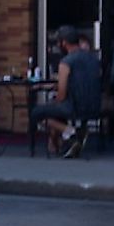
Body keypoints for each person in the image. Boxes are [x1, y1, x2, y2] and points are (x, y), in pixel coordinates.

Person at [33, 25, 105, 157]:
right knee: (54, 110)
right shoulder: (94, 59)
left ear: (64, 43)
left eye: (59, 42)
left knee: (38, 112)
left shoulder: (66, 62)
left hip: (75, 107)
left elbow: (61, 95)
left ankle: (72, 132)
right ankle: (62, 145)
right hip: (95, 106)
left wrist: (53, 98)